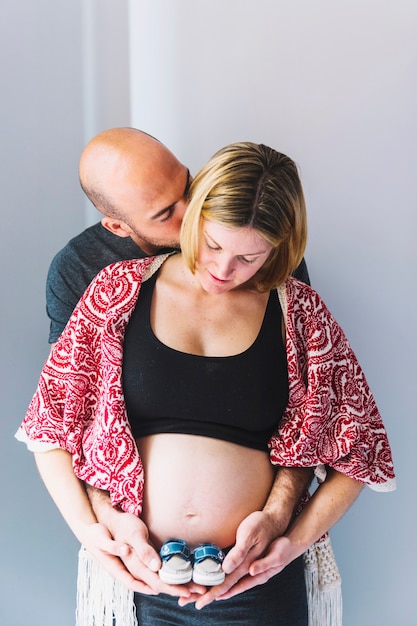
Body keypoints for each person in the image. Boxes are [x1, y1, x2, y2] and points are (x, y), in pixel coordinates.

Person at [16, 142, 395, 626]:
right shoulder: (113, 291)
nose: (222, 270)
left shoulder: (300, 312)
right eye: (213, 245)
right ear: (197, 217)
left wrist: (286, 540)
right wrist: (96, 532)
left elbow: (360, 451)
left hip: (257, 581)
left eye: (249, 258)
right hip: (139, 577)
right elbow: (49, 430)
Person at [46, 126, 310, 344]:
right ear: (119, 227)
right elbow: (69, 389)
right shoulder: (78, 268)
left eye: (187, 185)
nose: (191, 209)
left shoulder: (253, 238)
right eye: (165, 213)